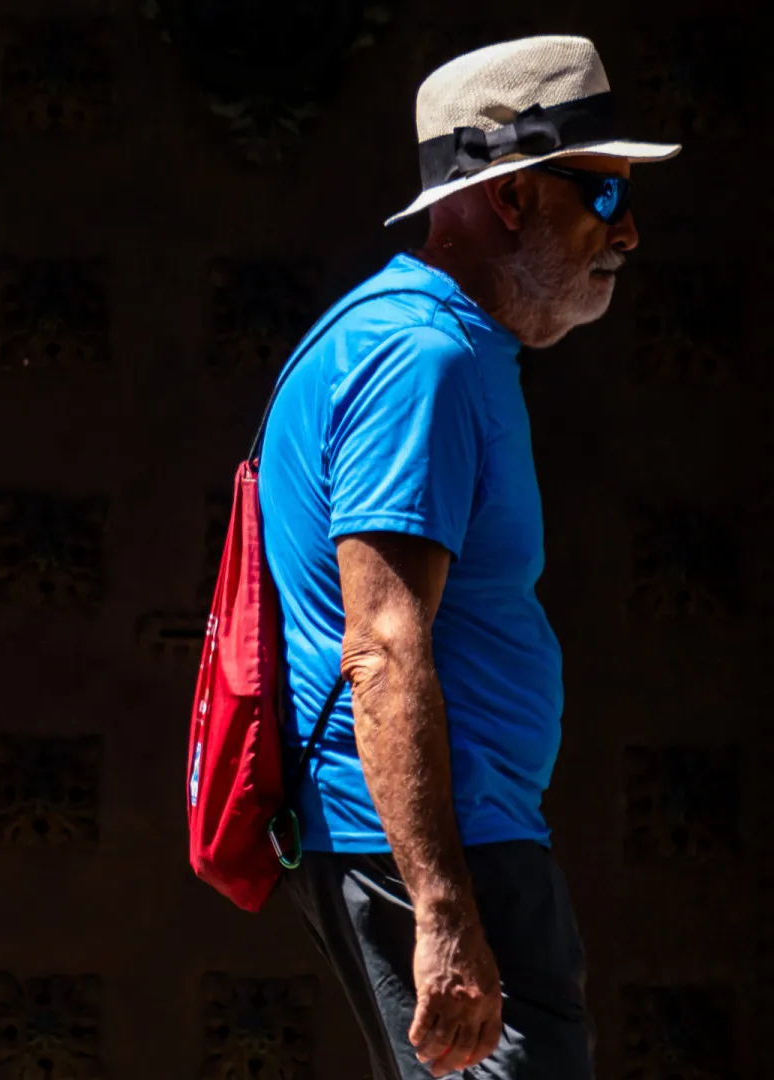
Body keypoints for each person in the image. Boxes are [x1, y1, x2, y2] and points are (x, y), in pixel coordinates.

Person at [258, 36, 679, 1079]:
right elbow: (383, 647)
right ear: (511, 197)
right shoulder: (422, 358)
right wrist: (445, 913)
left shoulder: (426, 341)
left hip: (446, 842)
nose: (628, 230)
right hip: (439, 858)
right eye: (604, 194)